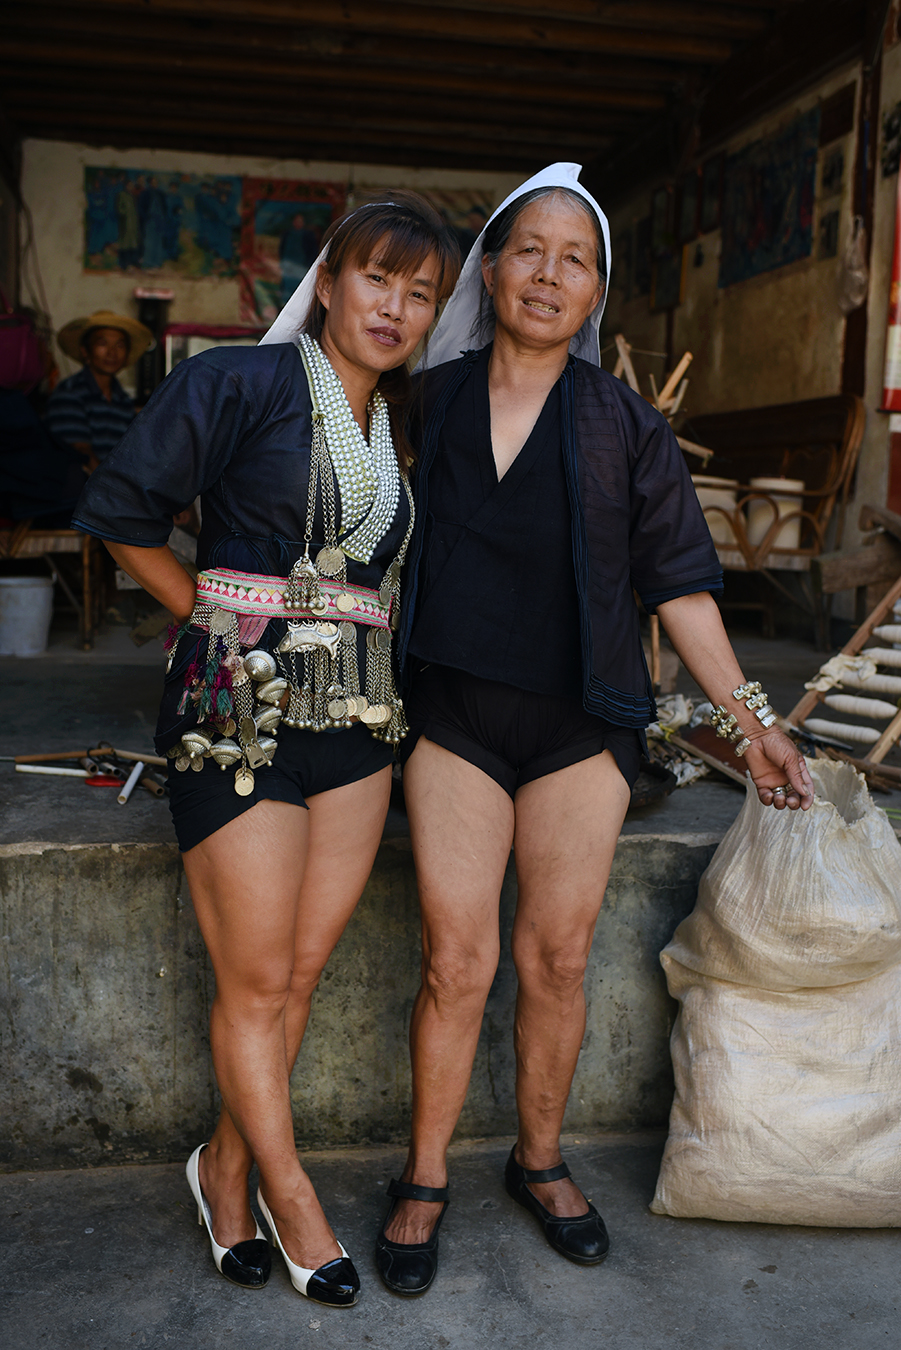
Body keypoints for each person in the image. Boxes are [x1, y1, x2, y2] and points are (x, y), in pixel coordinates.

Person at [374, 163, 814, 1296]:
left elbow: (680, 588)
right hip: (455, 719)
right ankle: (422, 1177)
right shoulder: (421, 402)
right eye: (529, 249)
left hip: (583, 726)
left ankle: (538, 1158)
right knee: (457, 960)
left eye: (575, 259)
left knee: (557, 957)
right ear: (492, 267)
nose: (549, 274)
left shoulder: (627, 424)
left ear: (595, 289)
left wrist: (754, 723)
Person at [71, 195, 460, 1307]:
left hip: (358, 722)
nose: (395, 307)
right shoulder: (235, 381)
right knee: (251, 979)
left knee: (296, 974)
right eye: (377, 279)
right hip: (233, 713)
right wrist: (214, 612)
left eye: (420, 293)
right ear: (329, 281)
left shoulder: (405, 421)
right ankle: (291, 1194)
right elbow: (122, 512)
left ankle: (224, 1165)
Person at [46, 310, 153, 470]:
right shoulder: (69, 393)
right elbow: (81, 453)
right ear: (85, 351)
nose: (112, 353)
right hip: (78, 490)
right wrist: (109, 490)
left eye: (120, 345)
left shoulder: (122, 400)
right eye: (102, 344)